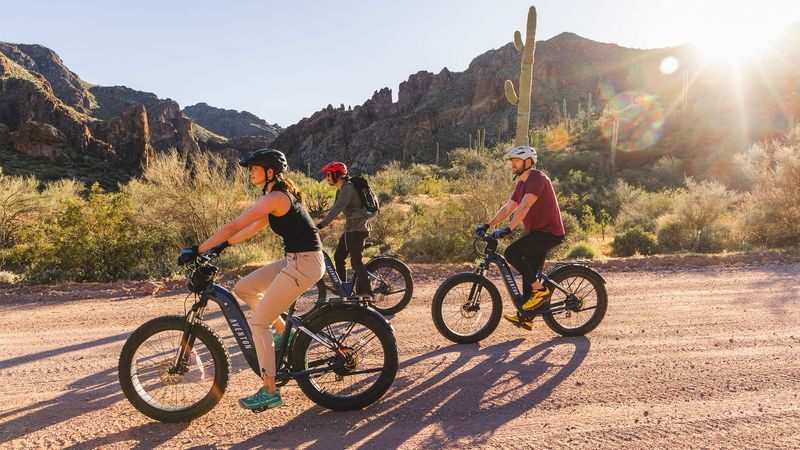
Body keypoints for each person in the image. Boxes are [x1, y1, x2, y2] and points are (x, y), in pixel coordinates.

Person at [182, 149, 324, 411]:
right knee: (244, 287)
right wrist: (222, 245)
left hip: (304, 263)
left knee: (259, 323)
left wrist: (198, 250)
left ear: (270, 171)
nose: (250, 172)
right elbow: (248, 229)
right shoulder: (275, 197)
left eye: (255, 168)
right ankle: (285, 335)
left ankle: (270, 390)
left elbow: (234, 224)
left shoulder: (278, 197)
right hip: (296, 259)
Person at [475, 145, 565, 330]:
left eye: (516, 160)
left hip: (549, 232)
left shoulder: (538, 179)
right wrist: (489, 224)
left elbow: (524, 206)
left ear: (528, 162)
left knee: (512, 253)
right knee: (528, 272)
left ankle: (540, 291)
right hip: (537, 233)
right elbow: (509, 207)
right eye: (512, 161)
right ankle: (527, 316)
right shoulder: (522, 184)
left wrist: (508, 228)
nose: (513, 164)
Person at [315, 161, 372, 295]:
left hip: (358, 229)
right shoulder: (341, 190)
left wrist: (320, 225)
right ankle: (343, 290)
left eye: (329, 174)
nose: (327, 177)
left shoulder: (348, 189)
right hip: (350, 229)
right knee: (339, 257)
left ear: (337, 174)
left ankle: (367, 292)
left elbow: (336, 209)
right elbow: (333, 209)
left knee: (356, 261)